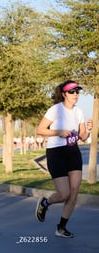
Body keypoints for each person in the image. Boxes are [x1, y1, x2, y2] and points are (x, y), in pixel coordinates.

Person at [35, 80, 93, 238]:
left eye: (78, 92)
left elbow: (83, 137)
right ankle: (45, 203)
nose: (76, 94)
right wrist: (58, 132)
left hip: (73, 151)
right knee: (64, 194)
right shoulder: (55, 110)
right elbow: (40, 129)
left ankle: (61, 227)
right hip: (56, 152)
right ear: (65, 94)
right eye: (72, 92)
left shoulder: (79, 112)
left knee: (74, 191)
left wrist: (88, 129)